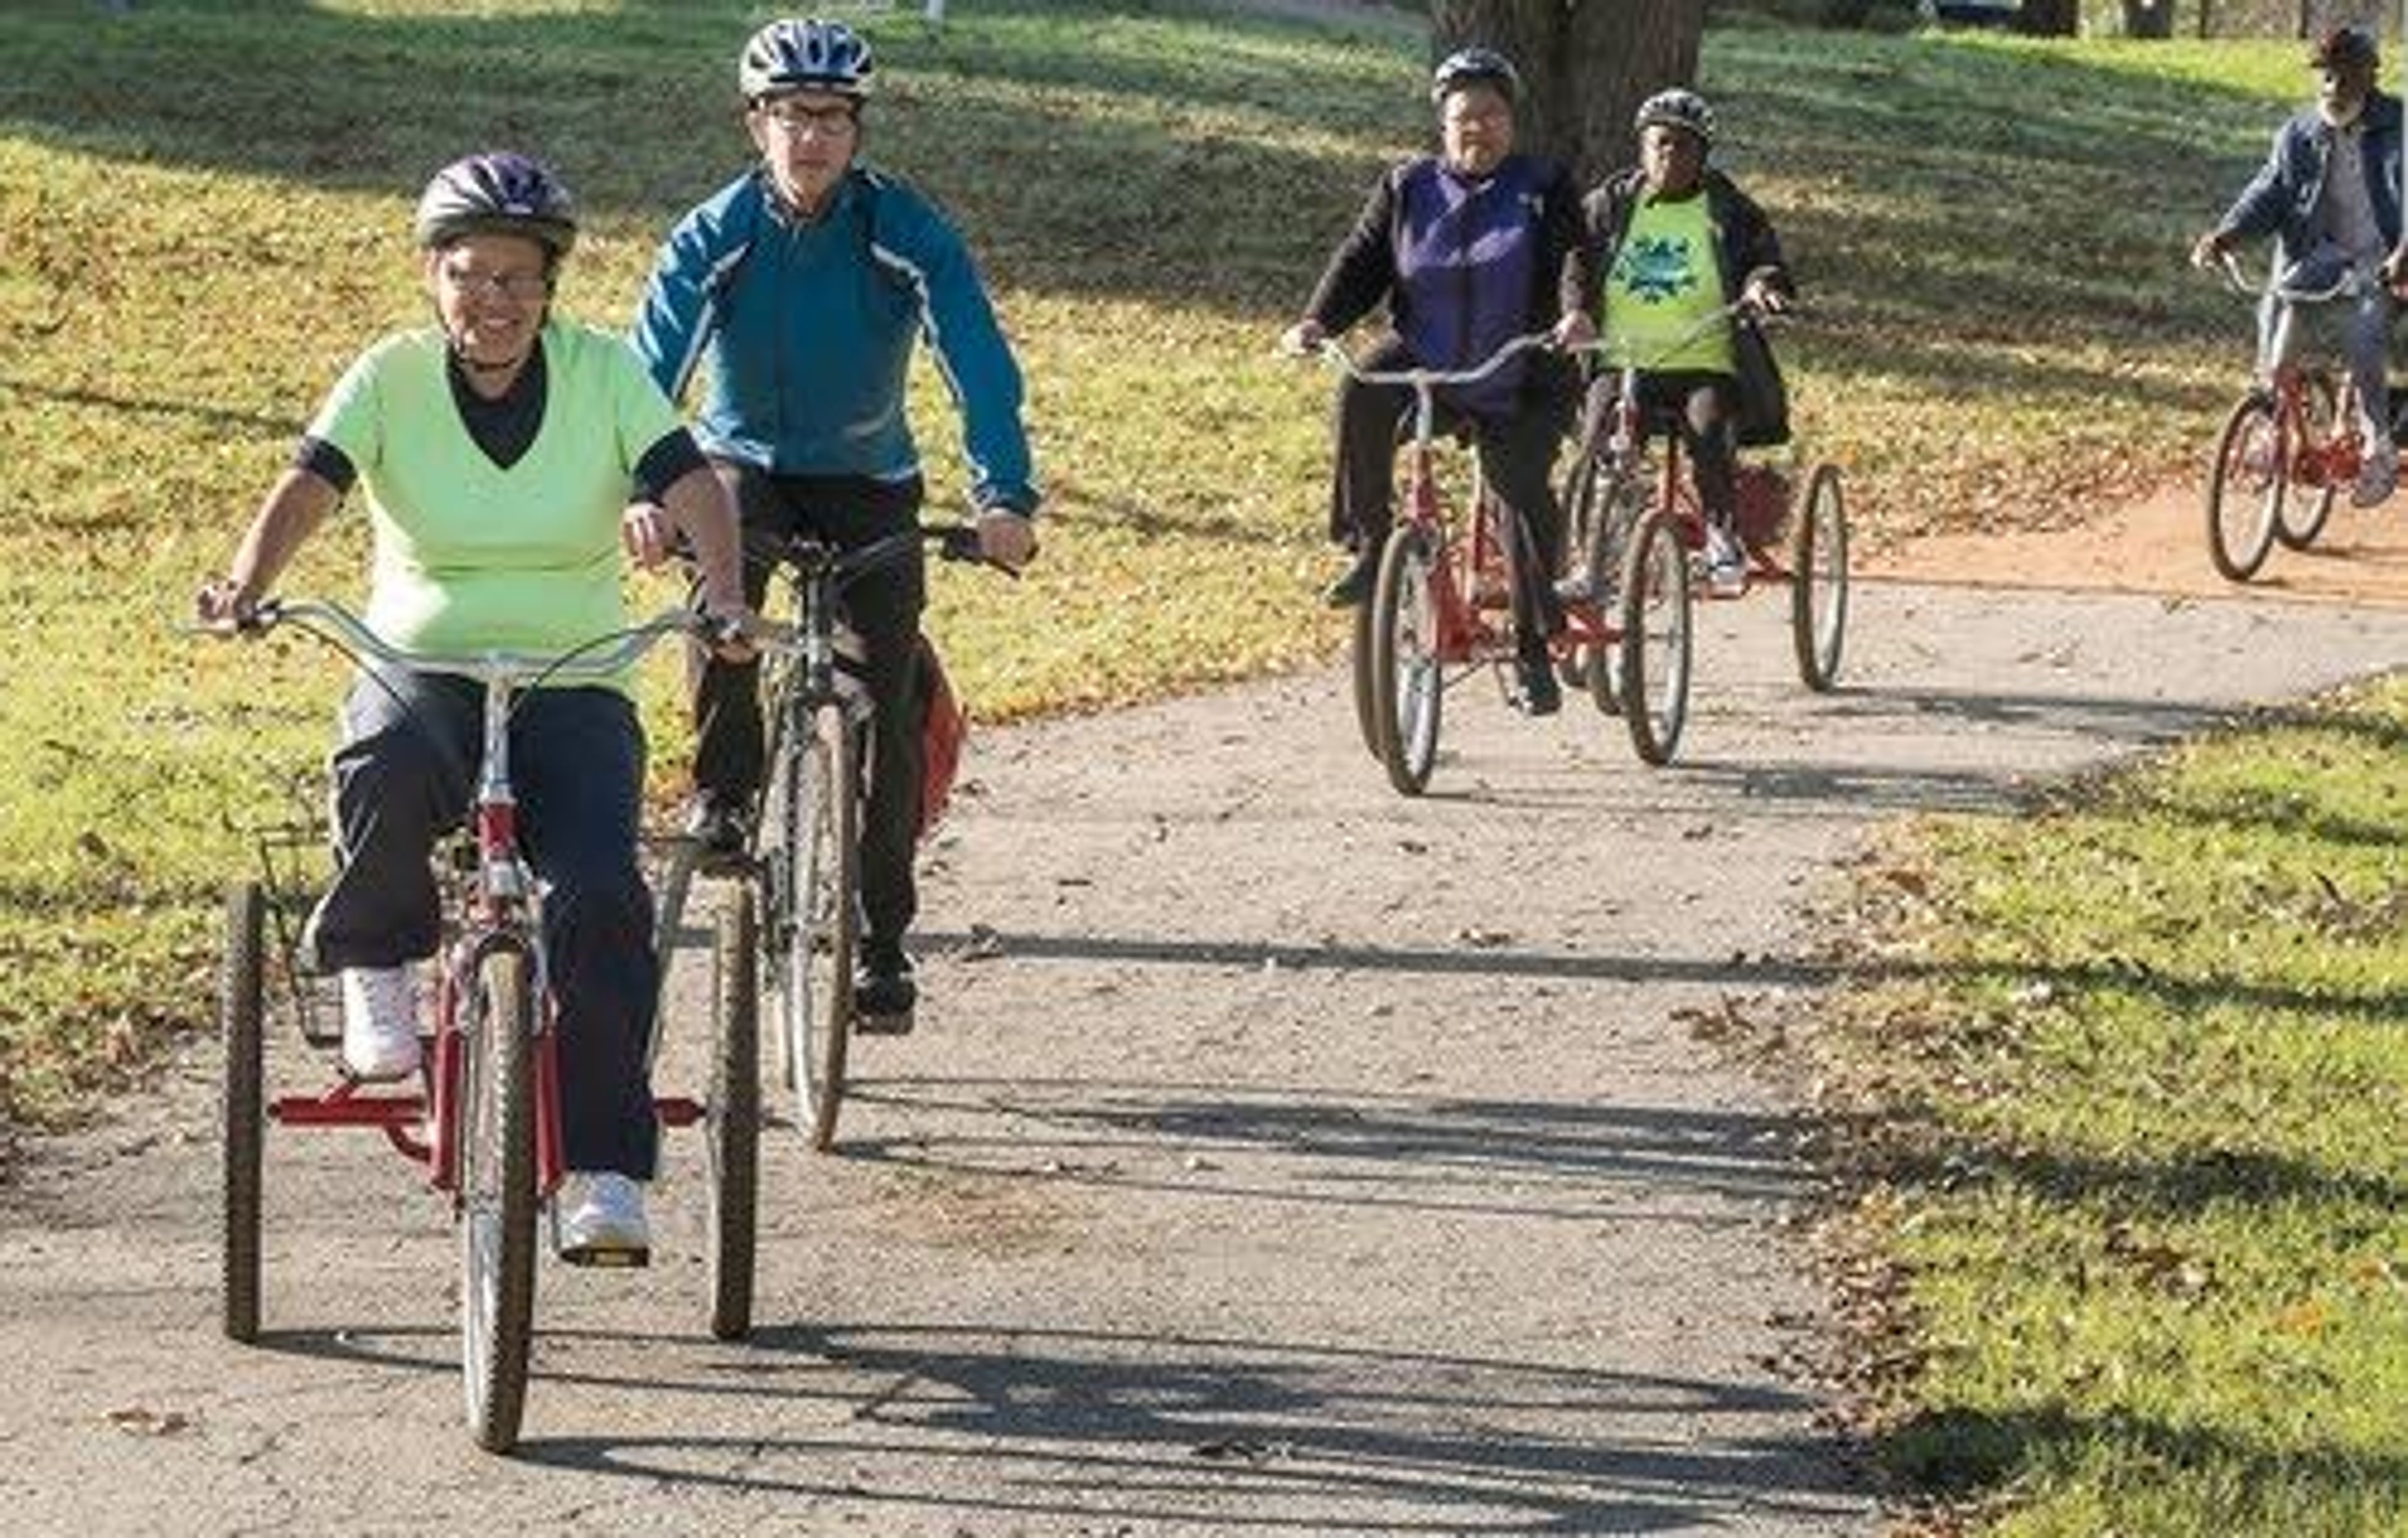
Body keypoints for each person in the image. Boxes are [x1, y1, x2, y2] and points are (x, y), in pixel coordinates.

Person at [195, 152, 752, 1264]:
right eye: (469, 274)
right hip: (422, 655)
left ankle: (601, 1168)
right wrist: (246, 583)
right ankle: (377, 964)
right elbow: (312, 481)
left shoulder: (601, 373)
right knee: (388, 760)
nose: (492, 299)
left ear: (549, 288)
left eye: (516, 277)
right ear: (432, 277)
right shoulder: (390, 376)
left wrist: (724, 596)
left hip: (578, 671)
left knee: (597, 891)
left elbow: (691, 481)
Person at [630, 16, 1039, 1034]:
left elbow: (978, 360)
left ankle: (881, 938)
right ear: (754, 123)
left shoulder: (905, 229)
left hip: (869, 483)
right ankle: (724, 794)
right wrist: (642, 486)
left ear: (857, 130)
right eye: (790, 115)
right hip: (743, 468)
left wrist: (1005, 498)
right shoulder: (714, 232)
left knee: (883, 700)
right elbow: (647, 372)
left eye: (832, 117)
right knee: (721, 601)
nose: (810, 137)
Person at [1281, 46, 1582, 715]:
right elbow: (1362, 258)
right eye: (1464, 117)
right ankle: (1371, 541)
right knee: (1361, 387)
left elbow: (1571, 254)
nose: (1479, 128)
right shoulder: (1408, 185)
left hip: (1524, 368)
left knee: (1517, 490)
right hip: (1428, 359)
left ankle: (1535, 645)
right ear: (1443, 126)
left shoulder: (1542, 185)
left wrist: (1575, 315)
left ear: (1513, 121)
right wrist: (1317, 323)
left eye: (1494, 115)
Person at [1555, 87, 1794, 600]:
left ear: (1703, 156)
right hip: (1622, 360)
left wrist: (1761, 286)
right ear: (1642, 147)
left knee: (1707, 428)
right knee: (1600, 441)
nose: (1670, 153)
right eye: (1660, 142)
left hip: (1702, 361)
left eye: (1684, 146)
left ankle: (1720, 536)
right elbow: (1575, 256)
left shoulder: (1726, 205)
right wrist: (1575, 311)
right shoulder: (1612, 202)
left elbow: (1763, 256)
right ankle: (1595, 559)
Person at [2190, 23, 2405, 508]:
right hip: (2322, 255)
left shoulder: (2401, 128)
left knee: (2364, 333)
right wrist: (2226, 235)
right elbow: (2268, 192)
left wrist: (2403, 255)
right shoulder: (2300, 133)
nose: (2332, 86)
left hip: (2387, 259)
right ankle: (2271, 415)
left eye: (2344, 75)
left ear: (2371, 76)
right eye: (2325, 76)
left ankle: (2379, 448)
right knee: (2280, 304)